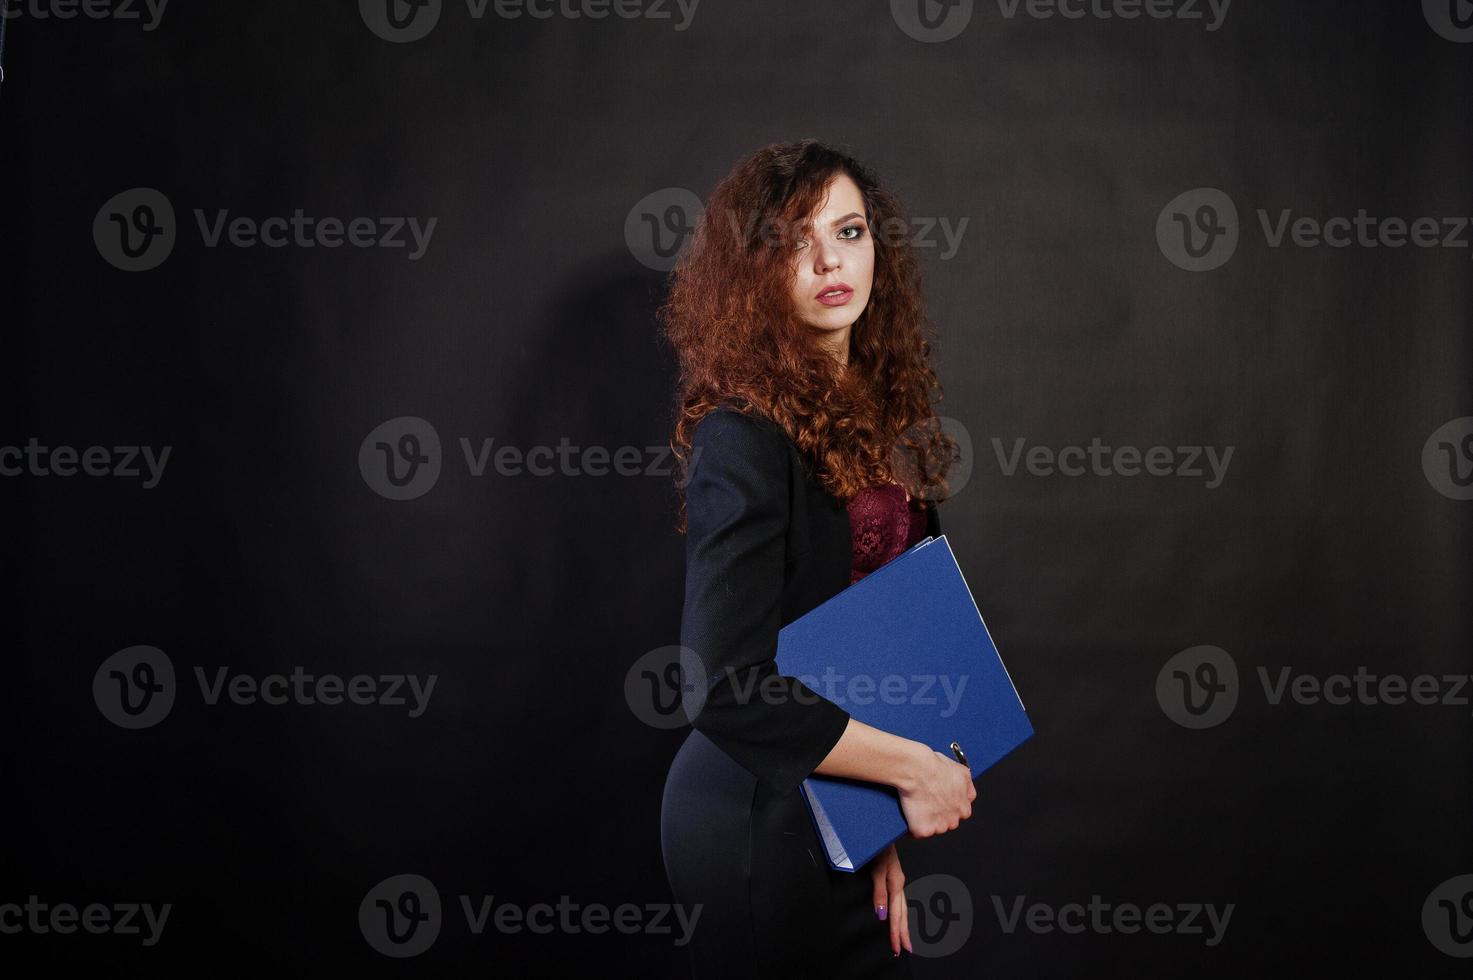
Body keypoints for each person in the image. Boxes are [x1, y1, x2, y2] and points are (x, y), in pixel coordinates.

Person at [657, 139, 974, 979]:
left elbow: (878, 639)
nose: (830, 260)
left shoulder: (881, 420)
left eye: (850, 231)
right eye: (795, 241)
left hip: (835, 808)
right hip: (752, 815)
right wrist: (911, 771)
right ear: (754, 270)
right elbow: (723, 684)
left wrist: (869, 826)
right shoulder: (742, 433)